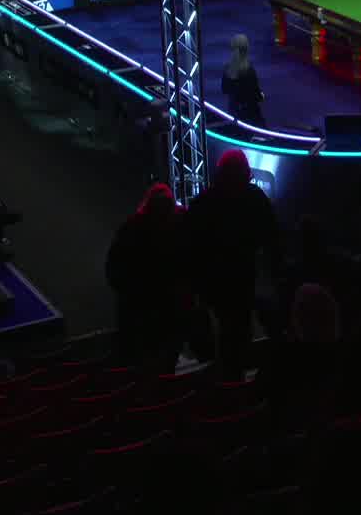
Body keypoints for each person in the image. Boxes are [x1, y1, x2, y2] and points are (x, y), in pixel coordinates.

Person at [184, 150, 280, 377]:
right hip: (243, 278)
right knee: (239, 332)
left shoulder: (204, 201)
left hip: (214, 282)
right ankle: (236, 382)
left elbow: (191, 245)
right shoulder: (255, 197)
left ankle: (226, 381)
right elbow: (271, 237)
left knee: (223, 334)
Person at [106, 183, 191, 372]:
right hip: (172, 306)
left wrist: (129, 295)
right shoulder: (182, 224)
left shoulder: (132, 227)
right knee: (168, 357)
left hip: (141, 308)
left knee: (145, 360)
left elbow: (114, 268)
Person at [222, 34, 265, 125]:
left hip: (233, 112)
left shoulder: (227, 68)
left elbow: (224, 90)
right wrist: (262, 96)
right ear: (246, 50)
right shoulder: (249, 70)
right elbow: (255, 94)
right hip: (250, 113)